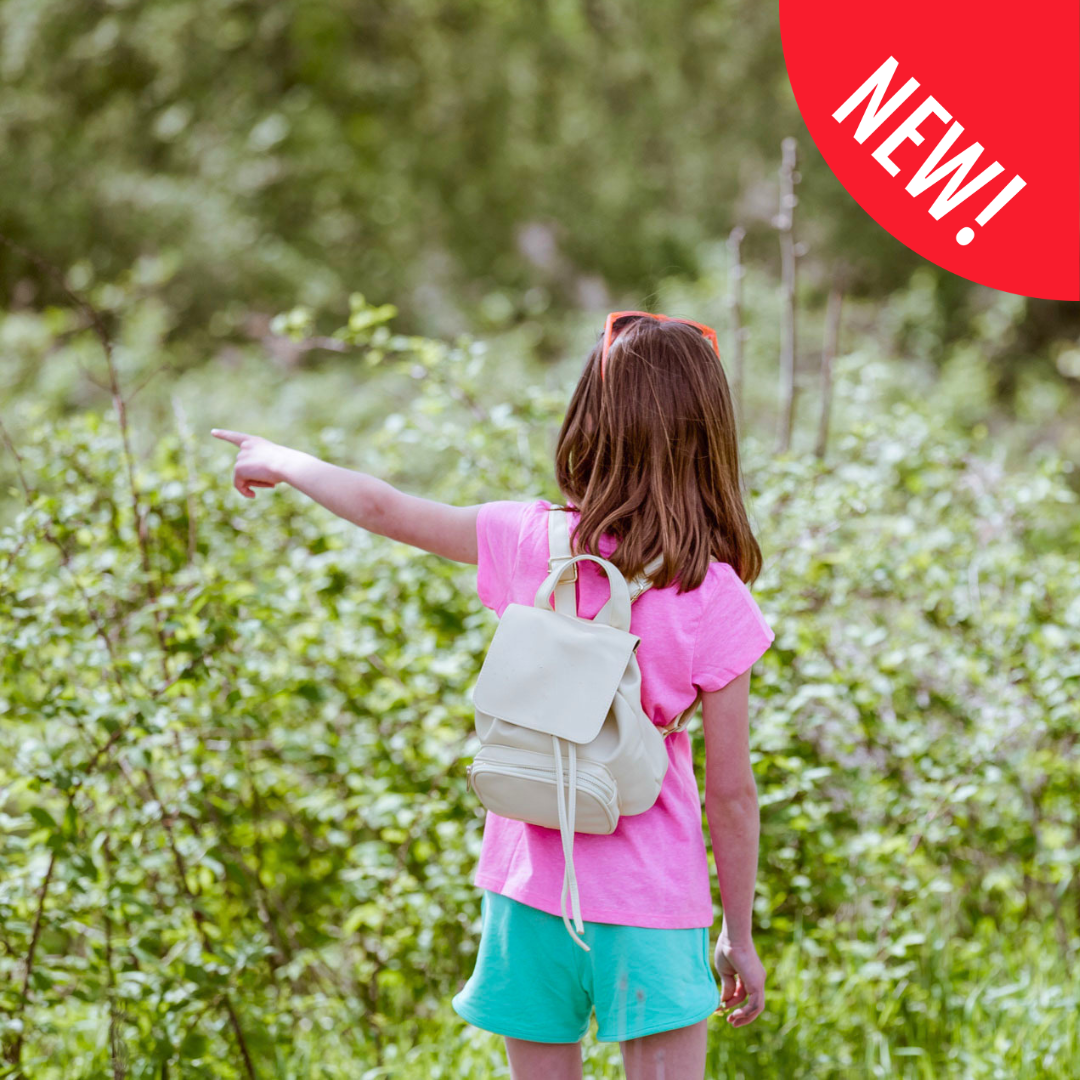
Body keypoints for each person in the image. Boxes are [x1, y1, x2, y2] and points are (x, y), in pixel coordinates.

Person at [211, 310, 773, 1080]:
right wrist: (738, 934)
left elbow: (383, 509)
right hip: (652, 903)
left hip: (528, 893)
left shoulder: (528, 542)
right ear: (708, 438)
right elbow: (731, 794)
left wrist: (281, 458)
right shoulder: (711, 593)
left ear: (589, 421)